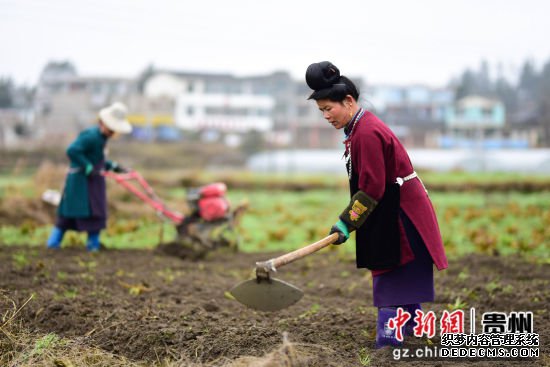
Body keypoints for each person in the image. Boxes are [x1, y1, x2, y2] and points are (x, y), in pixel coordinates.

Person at [305, 61, 448, 348]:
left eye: (328, 109)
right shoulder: (359, 129)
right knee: (401, 274)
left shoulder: (367, 133)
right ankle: (410, 332)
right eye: (321, 111)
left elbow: (371, 188)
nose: (325, 116)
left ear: (348, 101)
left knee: (393, 272)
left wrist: (346, 222)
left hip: (400, 212)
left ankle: (389, 342)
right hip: (392, 205)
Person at [46, 102, 133, 252]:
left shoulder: (101, 139)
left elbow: (98, 160)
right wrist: (86, 165)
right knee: (69, 214)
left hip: (93, 182)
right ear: (103, 123)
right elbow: (72, 150)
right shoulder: (91, 136)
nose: (113, 132)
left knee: (96, 214)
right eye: (111, 128)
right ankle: (53, 244)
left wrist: (114, 167)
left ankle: (93, 245)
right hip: (80, 182)